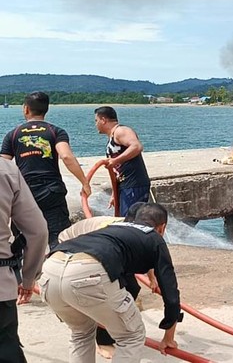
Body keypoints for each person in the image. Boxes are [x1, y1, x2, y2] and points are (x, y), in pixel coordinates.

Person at [38, 203, 180, 362]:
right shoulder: (154, 238)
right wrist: (168, 336)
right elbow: (171, 294)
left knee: (81, 333)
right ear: (162, 227)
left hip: (51, 269)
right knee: (131, 336)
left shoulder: (113, 227)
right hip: (87, 270)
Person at [57, 202, 157, 359]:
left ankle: (113, 328)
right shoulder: (117, 230)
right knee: (100, 296)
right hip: (72, 248)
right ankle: (103, 341)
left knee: (132, 287)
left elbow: (145, 251)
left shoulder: (132, 229)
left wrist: (152, 278)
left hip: (98, 253)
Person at [1, 91, 91, 250]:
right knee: (59, 238)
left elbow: (3, 165)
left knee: (23, 240)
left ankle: (24, 272)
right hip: (52, 191)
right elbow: (67, 157)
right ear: (46, 109)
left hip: (24, 193)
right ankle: (58, 270)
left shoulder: (13, 134)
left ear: (26, 109)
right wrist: (84, 182)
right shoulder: (55, 131)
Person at [0, 158, 49, 362]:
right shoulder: (5, 169)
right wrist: (28, 279)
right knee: (5, 346)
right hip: (2, 284)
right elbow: (38, 231)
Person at [94, 106, 150, 216]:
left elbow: (136, 146)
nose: (95, 124)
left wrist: (116, 160)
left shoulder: (120, 131)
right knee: (124, 219)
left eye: (96, 121)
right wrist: (114, 194)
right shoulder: (112, 137)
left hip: (134, 184)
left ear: (103, 120)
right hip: (125, 185)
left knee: (130, 221)